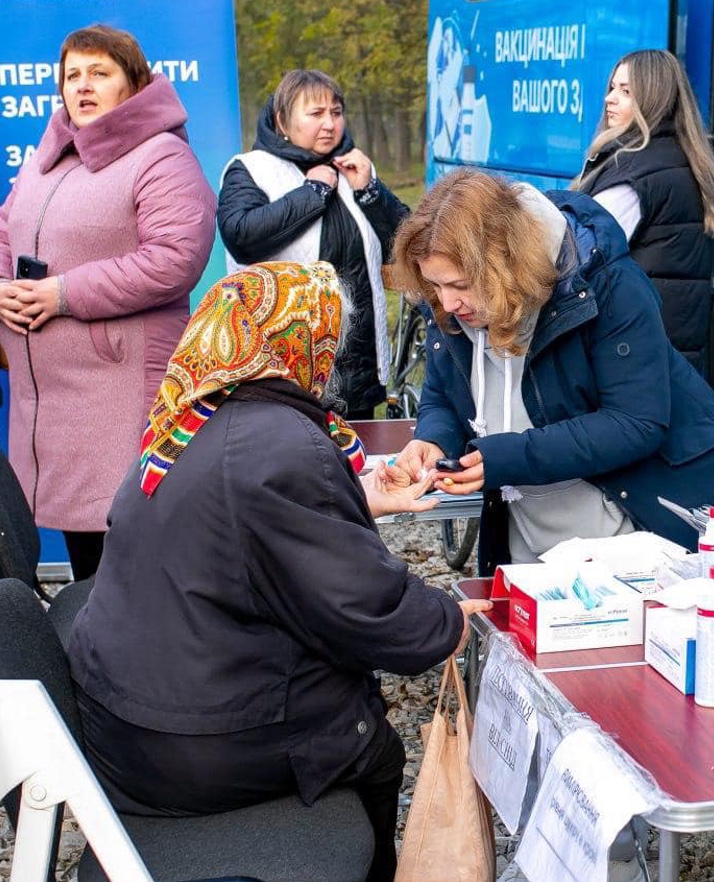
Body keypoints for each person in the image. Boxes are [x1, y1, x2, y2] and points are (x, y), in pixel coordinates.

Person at [67, 261, 490, 882]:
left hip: (130, 717)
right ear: (302, 340)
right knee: (369, 738)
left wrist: (356, 496)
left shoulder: (191, 410)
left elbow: (233, 524)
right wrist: (447, 619)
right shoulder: (282, 445)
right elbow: (368, 609)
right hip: (195, 748)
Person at [388, 168, 714, 575]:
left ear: (504, 263)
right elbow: (444, 394)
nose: (448, 303)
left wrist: (508, 456)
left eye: (460, 286)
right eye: (436, 287)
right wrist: (433, 439)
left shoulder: (607, 283)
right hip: (534, 534)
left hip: (630, 533)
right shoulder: (449, 296)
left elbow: (636, 421)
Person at [0, 24, 216, 580]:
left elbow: (174, 258)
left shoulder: (161, 155)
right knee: (85, 560)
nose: (83, 86)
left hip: (120, 392)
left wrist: (64, 294)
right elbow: (6, 234)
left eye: (99, 73)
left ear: (133, 83)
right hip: (49, 404)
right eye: (73, 75)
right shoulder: (45, 160)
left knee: (130, 557)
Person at [218, 69, 409, 420]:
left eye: (336, 113)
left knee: (358, 468)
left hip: (359, 371)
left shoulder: (355, 167)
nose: (329, 124)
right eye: (316, 114)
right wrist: (312, 193)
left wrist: (370, 191)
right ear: (282, 121)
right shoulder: (250, 169)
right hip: (285, 371)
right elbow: (242, 237)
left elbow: (407, 241)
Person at [572, 49, 714, 378]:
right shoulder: (673, 159)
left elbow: (574, 258)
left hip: (628, 357)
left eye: (626, 92)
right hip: (658, 354)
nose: (610, 99)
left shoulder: (637, 175)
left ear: (654, 99)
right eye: (612, 88)